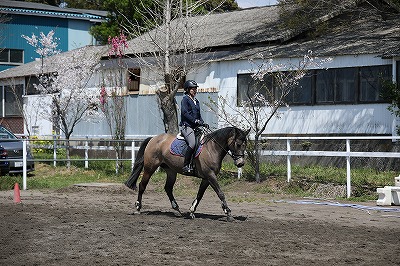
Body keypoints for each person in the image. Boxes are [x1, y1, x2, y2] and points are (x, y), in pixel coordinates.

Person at [179, 80, 208, 174]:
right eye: (192, 89)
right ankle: (186, 165)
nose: (194, 90)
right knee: (192, 143)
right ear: (187, 90)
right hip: (186, 126)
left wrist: (202, 122)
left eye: (195, 89)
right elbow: (185, 113)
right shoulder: (185, 99)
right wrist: (194, 121)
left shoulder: (196, 101)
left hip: (195, 127)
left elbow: (198, 115)